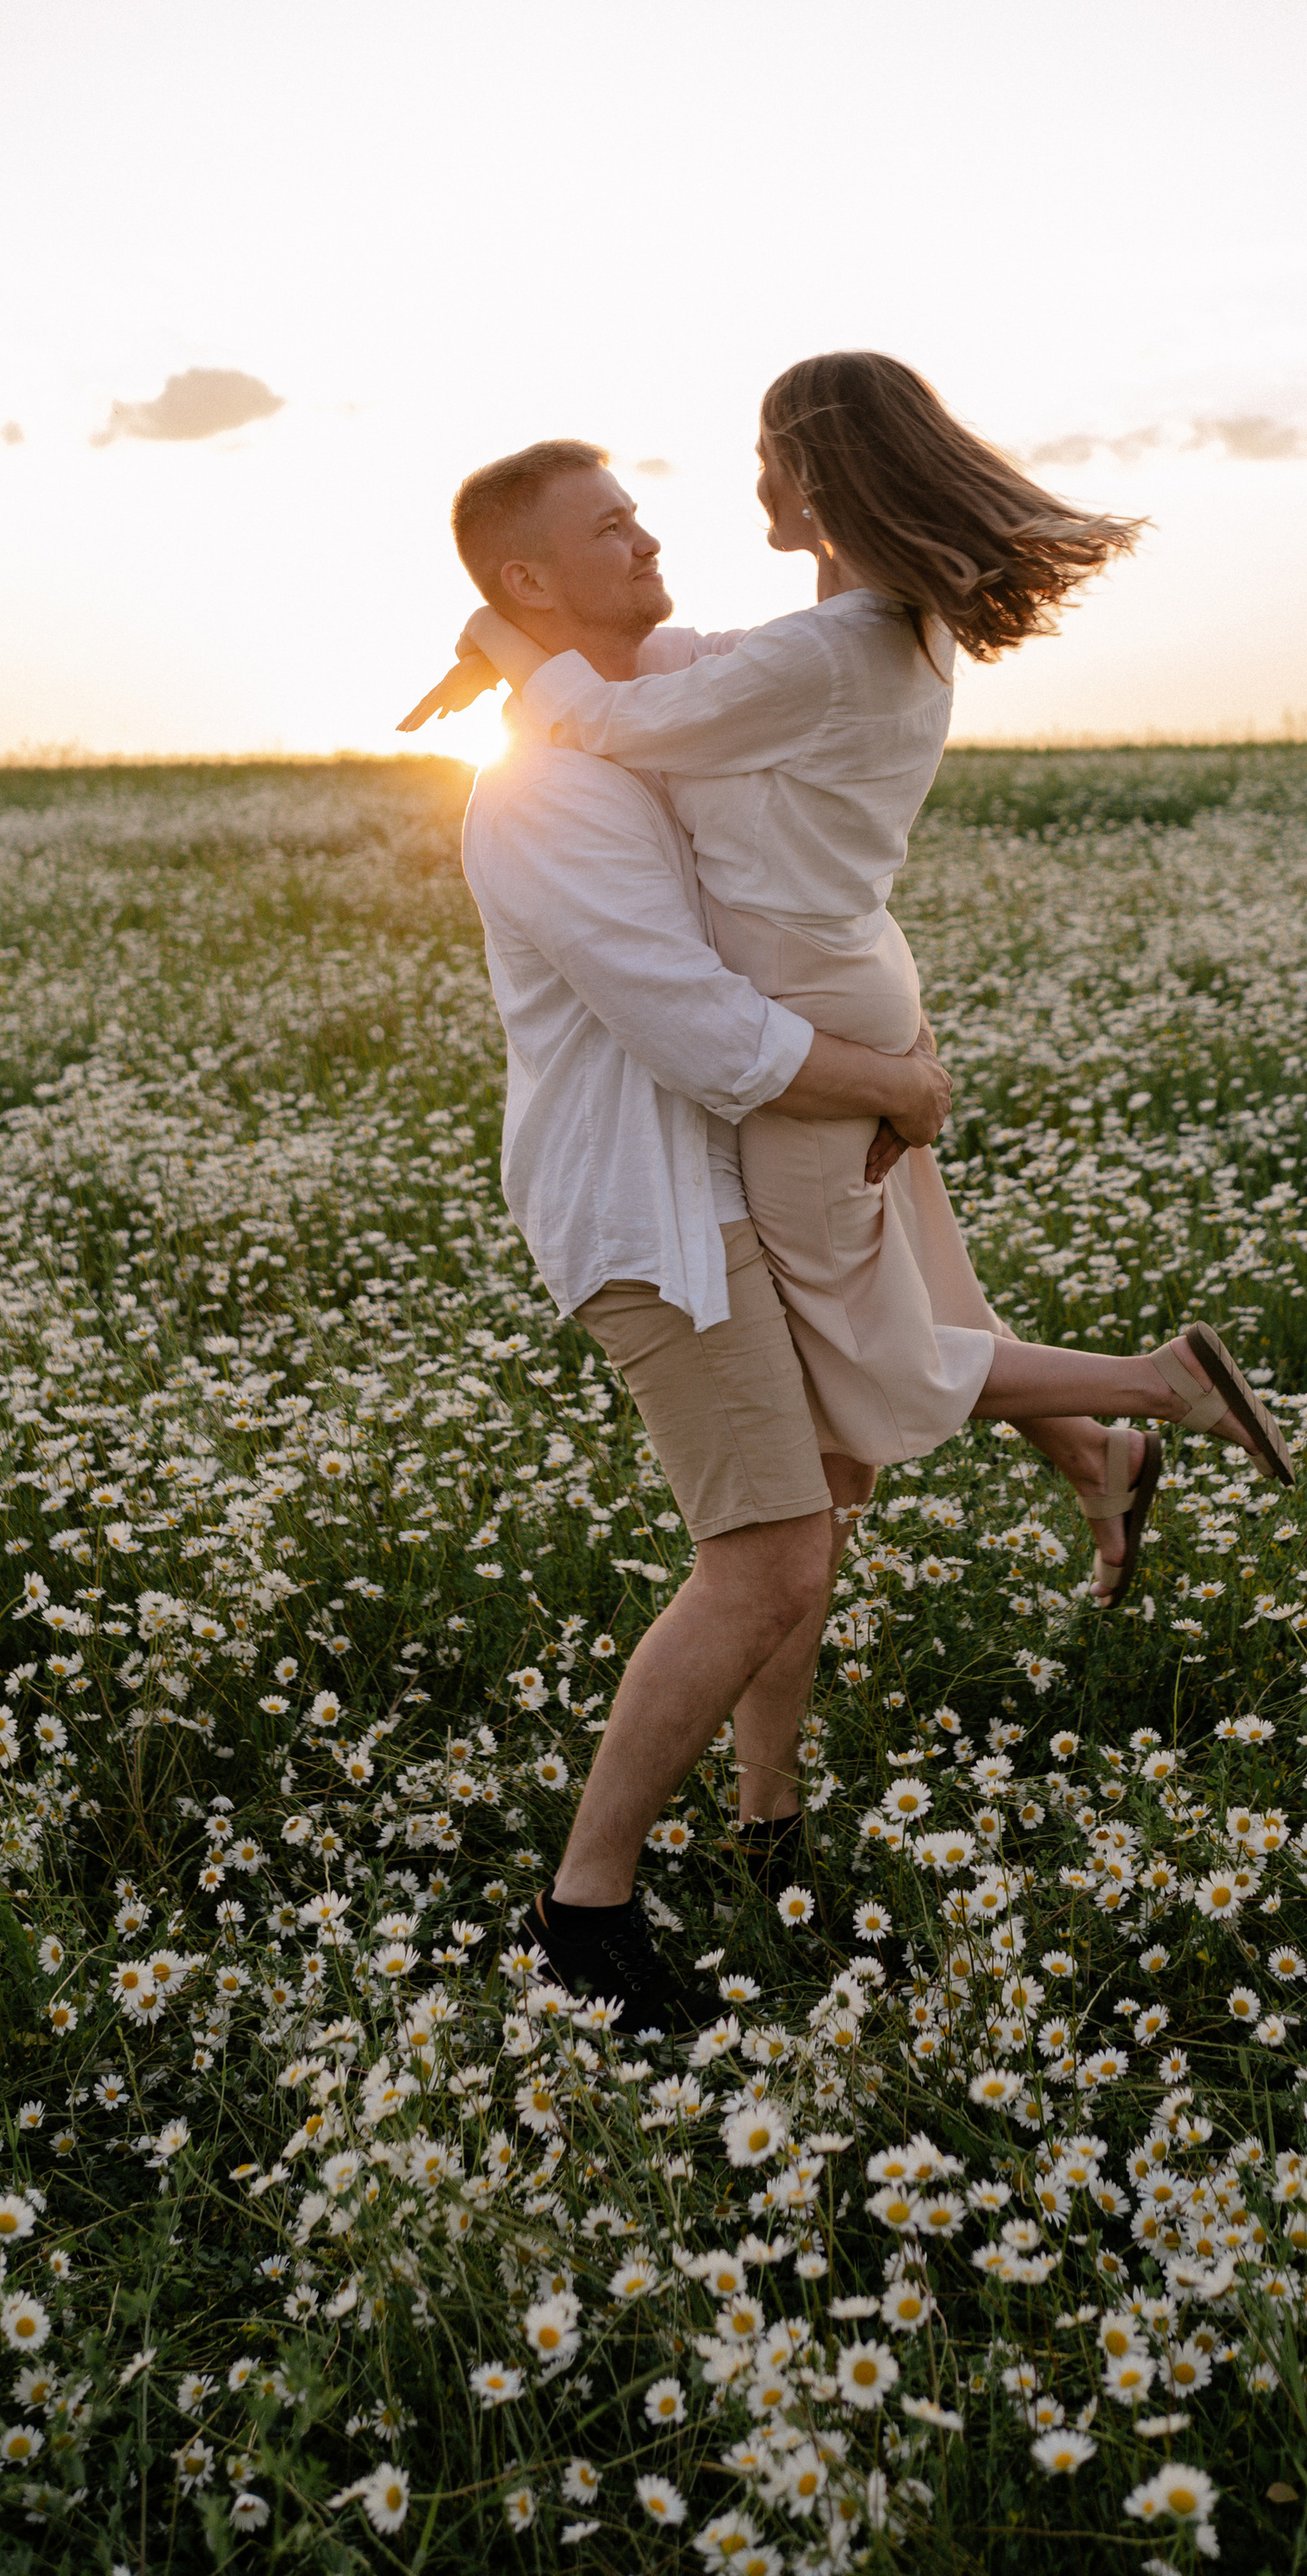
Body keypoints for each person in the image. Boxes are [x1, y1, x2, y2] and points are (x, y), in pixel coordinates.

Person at [421, 357, 1293, 1617]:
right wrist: (509, 632)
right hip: (850, 981)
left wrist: (506, 638)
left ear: (819, 471)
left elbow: (611, 720)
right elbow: (678, 666)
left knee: (853, 1352)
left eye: (769, 453)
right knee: (915, 1296)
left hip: (813, 1017)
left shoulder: (836, 650)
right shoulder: (872, 631)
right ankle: (1099, 1460)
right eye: (611, 525)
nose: (750, 481)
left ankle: (1160, 1385)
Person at [433, 435, 959, 2034]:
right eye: (611, 527)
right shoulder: (541, 793)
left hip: (738, 1179)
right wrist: (896, 1082)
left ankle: (771, 1833)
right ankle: (581, 1912)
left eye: (642, 511)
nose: (654, 538)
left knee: (826, 1508)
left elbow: (769, 657)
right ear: (530, 578)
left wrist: (501, 644)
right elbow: (697, 1028)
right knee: (764, 1557)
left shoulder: (641, 701)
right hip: (656, 1209)